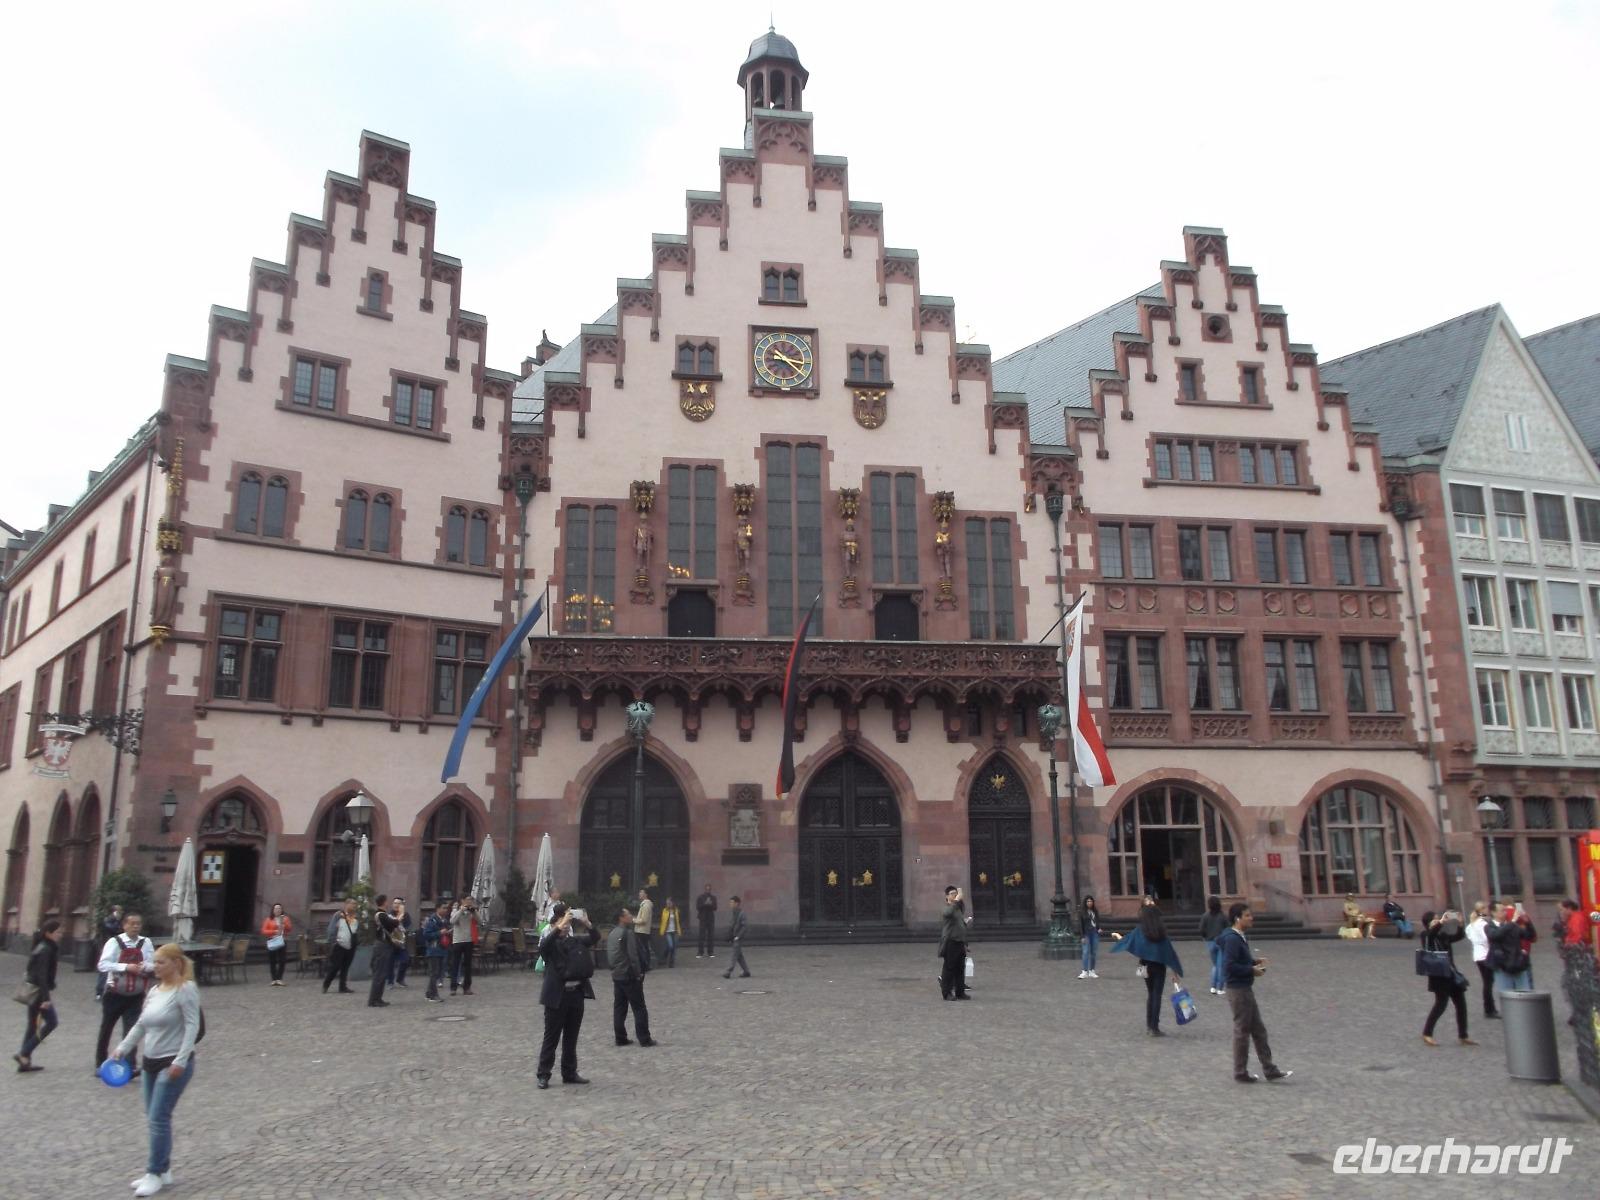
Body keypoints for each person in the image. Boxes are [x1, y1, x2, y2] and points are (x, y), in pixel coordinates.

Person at [112, 943, 203, 1198]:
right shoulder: (154, 991)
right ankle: (163, 1170)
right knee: (154, 1117)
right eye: (155, 962)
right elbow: (141, 1024)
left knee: (158, 1118)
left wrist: (180, 1061)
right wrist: (123, 1048)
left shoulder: (185, 989)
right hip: (150, 1061)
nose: (155, 966)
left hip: (172, 1061)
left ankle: (154, 1172)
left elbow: (192, 1026)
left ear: (176, 963)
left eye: (161, 962)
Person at [1217, 904, 1292, 1083]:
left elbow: (1239, 960)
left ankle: (1269, 1069)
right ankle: (1240, 1072)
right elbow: (1229, 966)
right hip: (1238, 990)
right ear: (1237, 918)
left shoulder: (1238, 937)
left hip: (1244, 988)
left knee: (1258, 1030)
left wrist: (1253, 961)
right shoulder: (1232, 939)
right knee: (1242, 1032)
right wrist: (1251, 970)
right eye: (1247, 915)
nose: (1251, 918)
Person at [536, 903, 600, 1087]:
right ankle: (543, 1074)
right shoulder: (550, 945)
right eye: (562, 924)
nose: (565, 927)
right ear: (554, 926)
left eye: (567, 924)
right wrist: (559, 925)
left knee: (571, 1037)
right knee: (551, 1037)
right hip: (556, 997)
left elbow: (595, 938)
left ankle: (569, 1072)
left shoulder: (575, 941)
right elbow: (544, 945)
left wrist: (587, 923)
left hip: (576, 995)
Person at [1110, 894, 1184, 1036]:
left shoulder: (1140, 929)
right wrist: (1175, 972)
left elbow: (1128, 941)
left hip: (1144, 965)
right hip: (1158, 966)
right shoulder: (1161, 931)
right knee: (1156, 995)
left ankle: (1150, 1026)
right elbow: (1169, 952)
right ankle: (1154, 1027)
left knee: (1151, 994)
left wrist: (1118, 936)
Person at [96, 911, 155, 1075]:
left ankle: (130, 1065)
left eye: (138, 924)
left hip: (136, 993)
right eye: (132, 923)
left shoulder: (146, 942)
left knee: (131, 1030)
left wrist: (145, 966)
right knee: (107, 1028)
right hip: (114, 993)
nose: (135, 926)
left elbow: (153, 964)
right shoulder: (114, 942)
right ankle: (100, 1064)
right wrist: (126, 967)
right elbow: (103, 965)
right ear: (124, 925)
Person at [1419, 909, 1476, 1047]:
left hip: (1451, 973)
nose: (1438, 920)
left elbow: (1458, 936)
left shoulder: (1442, 934)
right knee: (1440, 1005)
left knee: (1461, 1004)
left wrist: (1460, 924)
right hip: (1438, 976)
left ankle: (1463, 1035)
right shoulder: (1426, 935)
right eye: (1435, 919)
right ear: (1428, 923)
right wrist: (1441, 922)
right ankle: (1427, 1033)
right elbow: (1430, 936)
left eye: (1438, 918)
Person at [15, 919, 61, 1073]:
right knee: (52, 1022)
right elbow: (42, 975)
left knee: (32, 1025)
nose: (60, 935)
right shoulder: (46, 949)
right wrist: (46, 998)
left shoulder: (42, 946)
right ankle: (24, 1053)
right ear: (48, 933)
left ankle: (25, 1062)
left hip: (35, 990)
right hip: (39, 993)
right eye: (57, 932)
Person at [608, 908, 656, 1046]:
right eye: (628, 914)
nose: (631, 916)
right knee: (639, 1007)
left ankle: (620, 1037)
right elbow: (633, 955)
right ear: (621, 918)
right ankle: (644, 1038)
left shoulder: (612, 933)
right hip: (629, 975)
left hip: (617, 975)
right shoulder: (627, 933)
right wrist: (638, 973)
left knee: (619, 1007)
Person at [1487, 903, 1537, 994]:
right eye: (1502, 910)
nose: (1505, 913)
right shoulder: (1489, 927)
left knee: (1525, 994)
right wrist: (1512, 922)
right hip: (1502, 966)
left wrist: (1527, 922)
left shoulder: (1512, 926)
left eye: (1505, 910)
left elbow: (1530, 936)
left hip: (1517, 964)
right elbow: (1496, 935)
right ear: (1493, 913)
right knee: (1506, 995)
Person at [1464, 901, 1499, 1020]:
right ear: (1482, 910)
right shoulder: (1483, 924)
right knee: (1488, 983)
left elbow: (1469, 935)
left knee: (1487, 982)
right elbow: (1487, 938)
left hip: (1477, 955)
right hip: (1485, 955)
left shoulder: (1471, 924)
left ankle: (1489, 1008)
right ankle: (1489, 1009)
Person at [938, 885, 971, 1000]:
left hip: (960, 941)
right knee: (949, 968)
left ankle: (960, 992)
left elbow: (960, 925)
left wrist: (965, 943)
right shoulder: (947, 908)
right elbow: (947, 913)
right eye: (952, 894)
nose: (955, 895)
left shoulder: (957, 909)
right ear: (947, 896)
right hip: (950, 942)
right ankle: (946, 993)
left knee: (960, 968)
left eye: (956, 893)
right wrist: (956, 900)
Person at [368, 894, 399, 1008]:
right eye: (387, 901)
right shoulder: (380, 915)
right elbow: (393, 924)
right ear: (384, 902)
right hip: (382, 945)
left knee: (382, 973)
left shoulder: (382, 914)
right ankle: (373, 1000)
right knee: (379, 973)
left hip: (383, 945)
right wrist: (400, 915)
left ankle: (378, 998)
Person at [322, 900, 359, 994]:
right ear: (346, 905)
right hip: (339, 945)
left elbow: (356, 930)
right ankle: (326, 984)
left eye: (355, 905)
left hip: (351, 946)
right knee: (335, 966)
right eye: (352, 904)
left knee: (345, 967)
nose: (354, 906)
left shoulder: (356, 917)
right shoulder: (339, 915)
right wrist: (333, 942)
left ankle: (342, 987)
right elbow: (331, 929)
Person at [1078, 895, 1116, 979]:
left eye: (1091, 901)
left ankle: (1092, 970)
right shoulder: (1082, 912)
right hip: (1086, 933)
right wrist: (1082, 936)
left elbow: (1097, 921)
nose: (1089, 903)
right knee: (1085, 952)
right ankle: (1084, 971)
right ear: (1085, 902)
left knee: (1093, 952)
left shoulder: (1095, 911)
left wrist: (1098, 928)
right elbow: (1080, 925)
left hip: (1094, 933)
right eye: (1088, 901)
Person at [1199, 895, 1229, 995]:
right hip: (1221, 942)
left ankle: (1213, 986)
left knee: (1215, 965)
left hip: (1210, 942)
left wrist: (1206, 937)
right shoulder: (1223, 916)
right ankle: (1220, 987)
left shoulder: (1205, 916)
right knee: (1221, 966)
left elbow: (1201, 929)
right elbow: (1228, 928)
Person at [421, 900, 450, 1002]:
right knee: (434, 973)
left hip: (442, 949)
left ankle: (429, 993)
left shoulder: (444, 920)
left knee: (437, 973)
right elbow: (426, 935)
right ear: (437, 908)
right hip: (433, 950)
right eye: (443, 908)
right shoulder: (432, 920)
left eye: (446, 908)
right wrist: (439, 933)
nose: (446, 910)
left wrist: (448, 933)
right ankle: (434, 995)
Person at [449, 897, 478, 996]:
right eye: (467, 899)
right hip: (457, 941)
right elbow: (452, 921)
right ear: (462, 900)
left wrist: (474, 911)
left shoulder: (471, 911)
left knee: (468, 965)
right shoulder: (456, 910)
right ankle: (453, 988)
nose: (469, 901)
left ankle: (467, 987)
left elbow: (480, 921)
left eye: (470, 900)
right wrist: (461, 910)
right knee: (455, 964)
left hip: (469, 940)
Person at [95, 905, 124, 1000]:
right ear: (114, 911)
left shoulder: (118, 921)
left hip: (116, 947)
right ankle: (99, 992)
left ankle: (112, 991)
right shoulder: (108, 920)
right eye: (118, 911)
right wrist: (117, 921)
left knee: (114, 969)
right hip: (107, 946)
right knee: (105, 970)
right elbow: (112, 929)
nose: (120, 913)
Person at [260, 903, 292, 987]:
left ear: (281, 910)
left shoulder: (285, 918)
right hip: (272, 941)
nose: (277, 910)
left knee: (282, 960)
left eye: (279, 908)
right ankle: (274, 979)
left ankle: (279, 979)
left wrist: (283, 923)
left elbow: (289, 928)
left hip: (282, 941)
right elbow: (264, 931)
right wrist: (274, 931)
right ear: (273, 910)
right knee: (272, 960)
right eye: (276, 908)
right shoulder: (269, 919)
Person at [387, 896, 414, 989]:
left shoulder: (406, 915)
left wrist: (405, 930)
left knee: (405, 960)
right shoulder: (389, 915)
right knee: (390, 963)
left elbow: (409, 927)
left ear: (402, 905)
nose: (396, 905)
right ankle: (390, 982)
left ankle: (400, 979)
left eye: (398, 903)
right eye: (395, 903)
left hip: (401, 943)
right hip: (391, 942)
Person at [722, 895, 751, 979]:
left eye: (732, 902)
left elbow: (745, 926)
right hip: (734, 937)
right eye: (730, 902)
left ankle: (728, 971)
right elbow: (732, 925)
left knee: (735, 954)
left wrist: (738, 936)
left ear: (737, 903)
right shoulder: (734, 912)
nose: (730, 904)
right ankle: (746, 971)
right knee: (739, 955)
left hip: (738, 937)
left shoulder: (742, 913)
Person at [658, 897, 683, 968]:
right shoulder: (664, 910)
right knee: (670, 946)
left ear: (672, 903)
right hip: (668, 931)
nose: (668, 904)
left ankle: (671, 962)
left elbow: (679, 921)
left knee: (674, 948)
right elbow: (662, 921)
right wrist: (662, 930)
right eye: (667, 903)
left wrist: (679, 931)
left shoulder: (676, 911)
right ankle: (664, 957)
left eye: (669, 903)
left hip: (675, 931)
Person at [634, 889, 655, 972]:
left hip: (642, 931)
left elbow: (644, 920)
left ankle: (645, 966)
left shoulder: (646, 905)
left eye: (641, 892)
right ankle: (645, 965)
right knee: (644, 948)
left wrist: (633, 920)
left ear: (646, 894)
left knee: (642, 949)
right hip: (642, 930)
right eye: (639, 892)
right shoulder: (644, 904)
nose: (639, 894)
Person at [696, 884, 718, 959]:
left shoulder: (713, 898)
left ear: (710, 890)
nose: (708, 890)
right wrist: (705, 904)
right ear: (705, 889)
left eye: (709, 889)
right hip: (702, 918)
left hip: (710, 918)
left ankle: (710, 952)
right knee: (701, 936)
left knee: (710, 936)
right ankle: (700, 952)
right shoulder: (700, 897)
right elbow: (698, 907)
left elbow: (715, 908)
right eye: (707, 889)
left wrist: (710, 904)